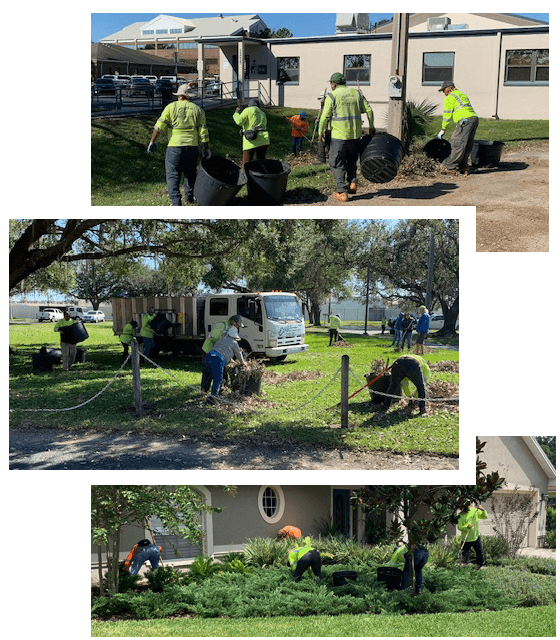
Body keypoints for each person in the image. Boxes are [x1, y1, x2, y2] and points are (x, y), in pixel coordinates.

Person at [147, 84, 210, 206]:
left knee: (172, 174)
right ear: (189, 97)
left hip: (174, 147)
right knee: (190, 173)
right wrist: (206, 148)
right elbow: (203, 132)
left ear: (180, 96)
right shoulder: (198, 110)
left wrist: (152, 142)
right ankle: (190, 197)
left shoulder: (171, 107)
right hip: (192, 147)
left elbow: (158, 127)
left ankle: (176, 202)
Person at [317, 72, 374, 202]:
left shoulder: (332, 96)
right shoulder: (357, 93)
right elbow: (369, 111)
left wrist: (320, 134)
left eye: (331, 83)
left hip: (338, 137)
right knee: (351, 160)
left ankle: (342, 191)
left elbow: (324, 117)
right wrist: (371, 127)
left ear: (334, 84)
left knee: (336, 163)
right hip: (355, 136)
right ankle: (352, 183)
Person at [437, 81, 479, 175]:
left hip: (464, 120)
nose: (444, 93)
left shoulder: (450, 98)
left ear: (449, 88)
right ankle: (463, 166)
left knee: (457, 143)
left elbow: (447, 115)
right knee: (467, 144)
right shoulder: (462, 94)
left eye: (444, 90)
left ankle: (450, 167)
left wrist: (443, 129)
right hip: (474, 119)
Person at [201, 325, 246, 404]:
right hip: (218, 359)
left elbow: (223, 353)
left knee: (207, 375)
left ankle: (203, 392)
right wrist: (242, 362)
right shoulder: (233, 342)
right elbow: (239, 354)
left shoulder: (222, 339)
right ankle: (213, 397)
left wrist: (234, 362)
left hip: (208, 356)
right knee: (217, 378)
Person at [233, 99, 270, 165]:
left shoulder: (248, 110)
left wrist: (236, 113)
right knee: (261, 163)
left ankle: (246, 175)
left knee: (247, 164)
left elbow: (239, 121)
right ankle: (262, 174)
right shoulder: (262, 113)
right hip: (264, 140)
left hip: (251, 141)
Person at [458, 503, 488, 569]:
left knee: (480, 553)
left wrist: (483, 510)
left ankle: (478, 567)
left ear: (470, 505)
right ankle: (466, 568)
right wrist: (466, 527)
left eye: (467, 505)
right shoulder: (460, 515)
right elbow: (459, 526)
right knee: (465, 556)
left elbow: (485, 517)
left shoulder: (475, 511)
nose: (466, 507)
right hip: (466, 539)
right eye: (464, 506)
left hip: (476, 537)